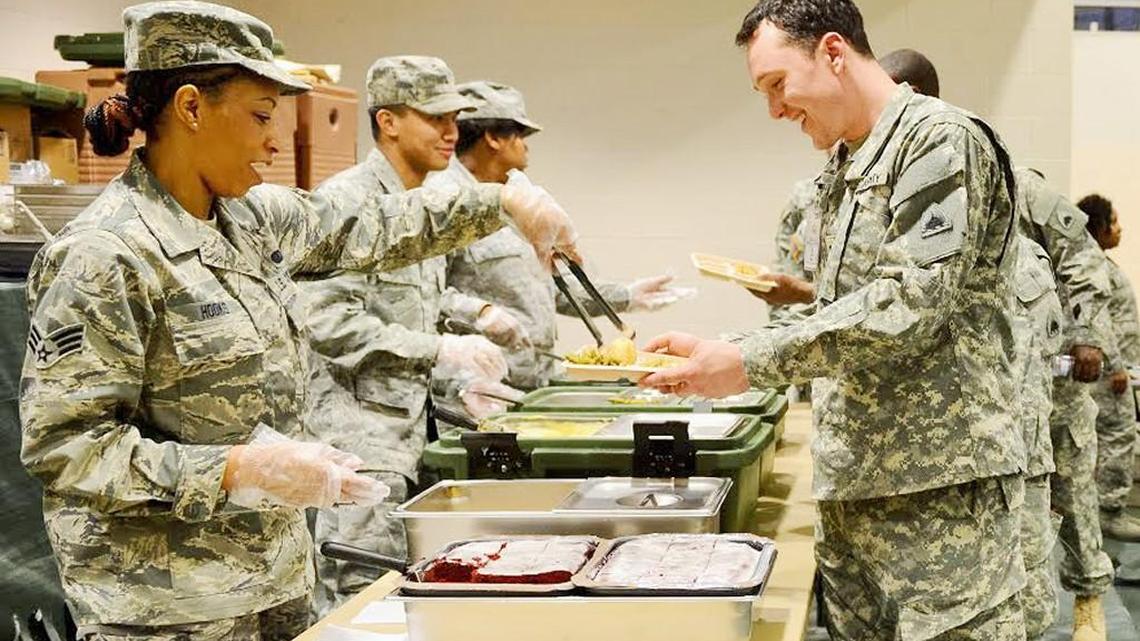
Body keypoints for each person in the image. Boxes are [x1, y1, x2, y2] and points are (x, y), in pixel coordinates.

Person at [18, 3, 579, 639]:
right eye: (260, 116)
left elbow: (374, 225)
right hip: (169, 610)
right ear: (191, 107)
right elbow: (67, 449)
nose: (275, 140)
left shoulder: (251, 220)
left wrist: (502, 200)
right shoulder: (103, 254)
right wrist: (235, 470)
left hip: (273, 582)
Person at [644, 1, 1027, 637]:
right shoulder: (848, 163)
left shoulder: (938, 141)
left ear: (832, 52)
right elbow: (835, 309)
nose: (773, 110)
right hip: (855, 488)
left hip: (937, 498)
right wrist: (725, 347)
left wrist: (746, 362)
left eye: (776, 85)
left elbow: (910, 304)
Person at [300, 55, 522, 617]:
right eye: (434, 117)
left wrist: (473, 319)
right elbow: (327, 320)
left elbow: (411, 298)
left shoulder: (420, 199)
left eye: (455, 117)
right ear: (388, 122)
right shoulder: (347, 202)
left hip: (409, 434)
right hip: (359, 444)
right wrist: (439, 349)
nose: (452, 132)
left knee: (407, 598)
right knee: (360, 594)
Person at [426, 80, 689, 390]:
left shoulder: (516, 200)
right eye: (520, 136)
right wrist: (480, 313)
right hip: (476, 388)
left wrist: (627, 296)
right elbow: (423, 296)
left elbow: (548, 292)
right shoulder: (442, 202)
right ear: (494, 138)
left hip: (532, 380)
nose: (526, 146)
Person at [1017, 168, 1120, 641]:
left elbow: (1083, 255)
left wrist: (1086, 336)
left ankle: (1088, 601)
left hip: (1053, 382)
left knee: (1073, 492)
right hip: (989, 390)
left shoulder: (1013, 182)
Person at [1079, 193, 1140, 539]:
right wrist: (1116, 366)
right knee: (1118, 434)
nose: (1119, 229)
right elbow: (1097, 322)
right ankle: (1110, 511)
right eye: (1113, 222)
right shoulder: (1094, 268)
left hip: (1117, 369)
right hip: (1109, 374)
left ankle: (1101, 510)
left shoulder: (1097, 264)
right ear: (1098, 227)